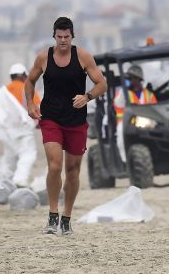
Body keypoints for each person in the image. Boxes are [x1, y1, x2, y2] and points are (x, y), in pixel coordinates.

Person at [25, 17, 107, 235]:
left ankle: (67, 218)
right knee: (54, 165)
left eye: (67, 37)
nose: (63, 41)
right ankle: (52, 215)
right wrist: (30, 102)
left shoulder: (83, 56)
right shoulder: (44, 57)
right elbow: (30, 80)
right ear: (54, 36)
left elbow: (102, 83)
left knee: (73, 170)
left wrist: (87, 96)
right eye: (59, 37)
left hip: (76, 120)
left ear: (72, 36)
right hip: (51, 117)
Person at [0, 63, 40, 187]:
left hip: (5, 132)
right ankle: (19, 181)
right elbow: (38, 109)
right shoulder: (28, 89)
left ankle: (3, 181)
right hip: (22, 131)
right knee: (28, 154)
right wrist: (39, 122)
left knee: (9, 157)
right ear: (24, 75)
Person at [114, 65, 157, 162]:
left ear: (138, 79)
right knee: (120, 133)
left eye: (132, 78)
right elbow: (118, 104)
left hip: (146, 121)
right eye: (129, 78)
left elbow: (155, 109)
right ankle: (125, 161)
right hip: (126, 121)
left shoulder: (149, 94)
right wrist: (124, 89)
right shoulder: (123, 93)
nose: (130, 80)